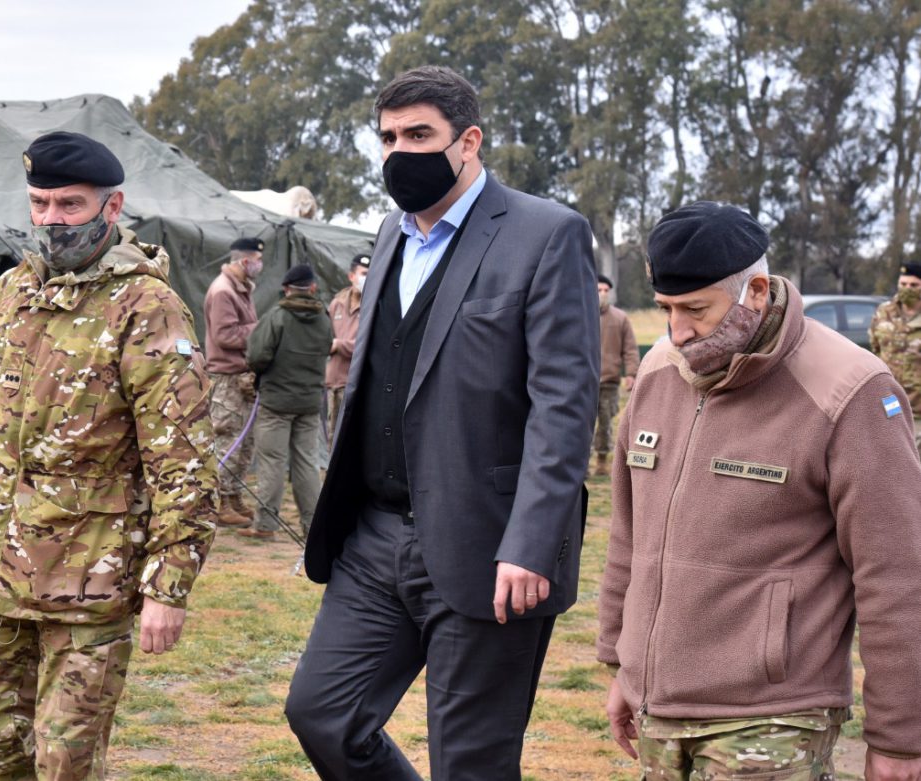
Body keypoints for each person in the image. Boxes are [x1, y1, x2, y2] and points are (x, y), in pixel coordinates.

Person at [285, 66, 599, 781]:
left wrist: (530, 539)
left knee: (473, 760)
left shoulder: (546, 234)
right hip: (375, 535)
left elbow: (563, 403)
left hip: (489, 544)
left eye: (419, 134)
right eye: (389, 138)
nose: (400, 153)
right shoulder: (393, 233)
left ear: (469, 141)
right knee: (323, 714)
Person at [0, 131, 218, 781]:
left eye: (70, 204)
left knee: (66, 757)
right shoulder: (10, 292)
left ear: (113, 206)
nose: (52, 219)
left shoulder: (147, 306)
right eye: (40, 203)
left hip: (90, 575)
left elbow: (182, 459)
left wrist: (169, 585)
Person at [598, 201, 921, 781]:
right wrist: (623, 663)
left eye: (696, 309)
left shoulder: (850, 391)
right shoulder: (657, 373)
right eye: (665, 308)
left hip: (773, 719)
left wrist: (900, 738)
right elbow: (629, 532)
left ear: (756, 290)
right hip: (658, 709)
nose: (676, 332)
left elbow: (898, 574)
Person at [239, 264, 334, 540]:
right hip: (309, 403)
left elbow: (256, 356)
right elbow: (328, 349)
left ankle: (266, 525)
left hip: (276, 402)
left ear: (286, 288)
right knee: (306, 463)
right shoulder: (324, 319)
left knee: (272, 462)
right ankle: (312, 526)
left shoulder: (277, 317)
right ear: (313, 287)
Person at [203, 236, 263, 527]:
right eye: (256, 260)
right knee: (227, 440)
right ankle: (217, 501)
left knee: (244, 444)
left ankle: (233, 495)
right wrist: (260, 331)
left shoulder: (242, 290)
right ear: (244, 261)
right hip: (226, 377)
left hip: (242, 377)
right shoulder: (223, 291)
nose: (259, 266)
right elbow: (225, 336)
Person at [870, 262, 921, 458]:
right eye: (903, 284)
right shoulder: (884, 311)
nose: (907, 289)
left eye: (914, 285)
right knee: (889, 459)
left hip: (918, 409)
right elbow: (875, 349)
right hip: (888, 403)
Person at [591, 273, 639, 476]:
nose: (603, 294)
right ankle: (580, 465)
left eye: (606, 291)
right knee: (579, 423)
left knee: (606, 422)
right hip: (584, 382)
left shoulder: (620, 318)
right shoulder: (581, 315)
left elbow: (630, 348)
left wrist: (631, 373)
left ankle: (602, 462)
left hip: (609, 381)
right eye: (599, 290)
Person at [325, 253, 371, 441]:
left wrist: (339, 345)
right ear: (351, 276)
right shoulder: (337, 304)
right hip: (333, 382)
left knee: (352, 437)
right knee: (332, 435)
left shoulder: (374, 303)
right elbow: (325, 337)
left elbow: (369, 343)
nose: (366, 278)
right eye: (363, 273)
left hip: (356, 382)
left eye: (369, 273)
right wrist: (330, 344)